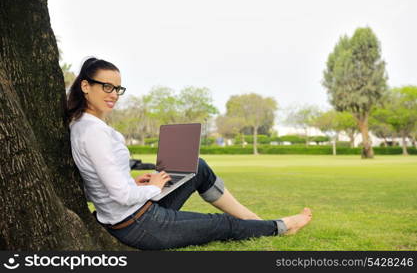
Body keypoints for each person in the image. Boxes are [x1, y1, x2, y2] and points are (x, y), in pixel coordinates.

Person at [67, 57, 312, 250]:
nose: (113, 94)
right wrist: (152, 187)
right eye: (107, 86)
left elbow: (95, 185)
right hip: (137, 224)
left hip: (137, 211)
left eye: (118, 88)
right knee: (222, 225)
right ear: (86, 86)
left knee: (196, 166)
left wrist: (133, 182)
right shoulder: (93, 132)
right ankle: (282, 227)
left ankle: (254, 221)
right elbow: (120, 195)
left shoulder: (84, 126)